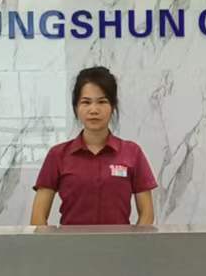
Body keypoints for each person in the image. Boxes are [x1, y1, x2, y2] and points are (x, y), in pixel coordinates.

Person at [30, 65, 158, 226]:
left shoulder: (132, 152)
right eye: (86, 102)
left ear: (112, 107)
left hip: (121, 242)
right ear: (76, 108)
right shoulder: (58, 155)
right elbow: (38, 216)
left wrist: (133, 241)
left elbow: (147, 214)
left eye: (102, 102)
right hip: (70, 242)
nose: (94, 110)